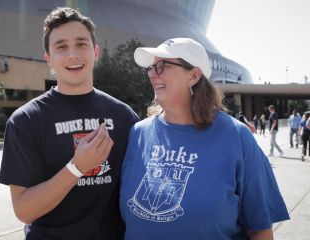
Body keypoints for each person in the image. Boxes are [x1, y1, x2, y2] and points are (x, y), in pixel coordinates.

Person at [119, 38, 289, 240]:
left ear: (193, 75)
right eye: (152, 67)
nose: (153, 74)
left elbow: (260, 228)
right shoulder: (138, 133)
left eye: (163, 66)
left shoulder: (236, 136)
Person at [0, 7, 139, 240]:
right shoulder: (26, 120)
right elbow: (24, 210)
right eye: (61, 47)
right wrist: (76, 167)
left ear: (95, 52)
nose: (72, 54)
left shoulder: (124, 116)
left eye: (81, 44)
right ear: (48, 59)